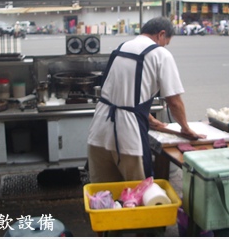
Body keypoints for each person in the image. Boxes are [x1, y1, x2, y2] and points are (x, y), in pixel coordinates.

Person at [87, 16, 205, 183]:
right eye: (166, 42)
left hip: (98, 131)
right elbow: (174, 101)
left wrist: (149, 118)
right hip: (127, 137)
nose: (164, 46)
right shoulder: (160, 54)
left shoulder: (122, 47)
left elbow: (121, 92)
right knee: (139, 193)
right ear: (161, 34)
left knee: (104, 196)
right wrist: (185, 128)